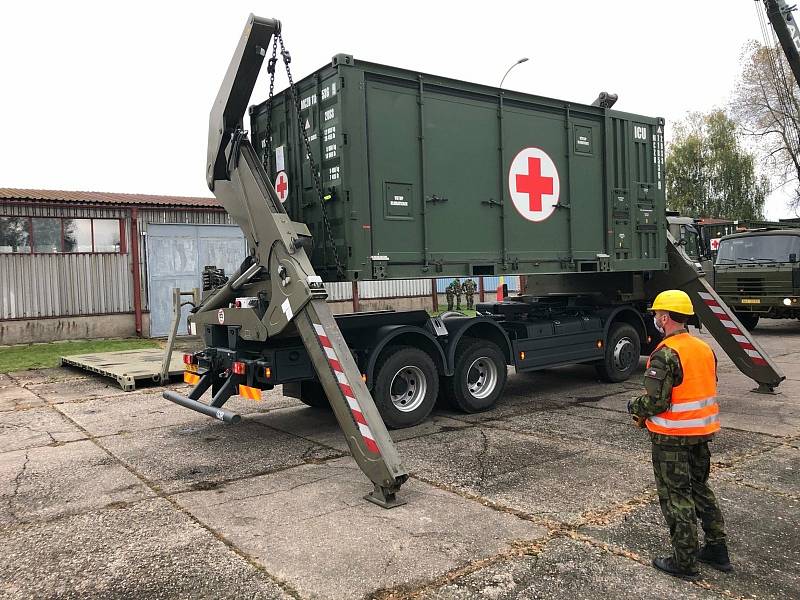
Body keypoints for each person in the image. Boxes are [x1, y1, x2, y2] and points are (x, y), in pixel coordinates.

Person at [628, 289, 731, 580]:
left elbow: (656, 401)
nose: (656, 319)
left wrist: (633, 406)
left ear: (666, 317)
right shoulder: (703, 349)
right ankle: (717, 550)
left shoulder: (666, 354)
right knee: (701, 490)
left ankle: (684, 562)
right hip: (702, 433)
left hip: (672, 438)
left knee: (676, 496)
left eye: (657, 315)